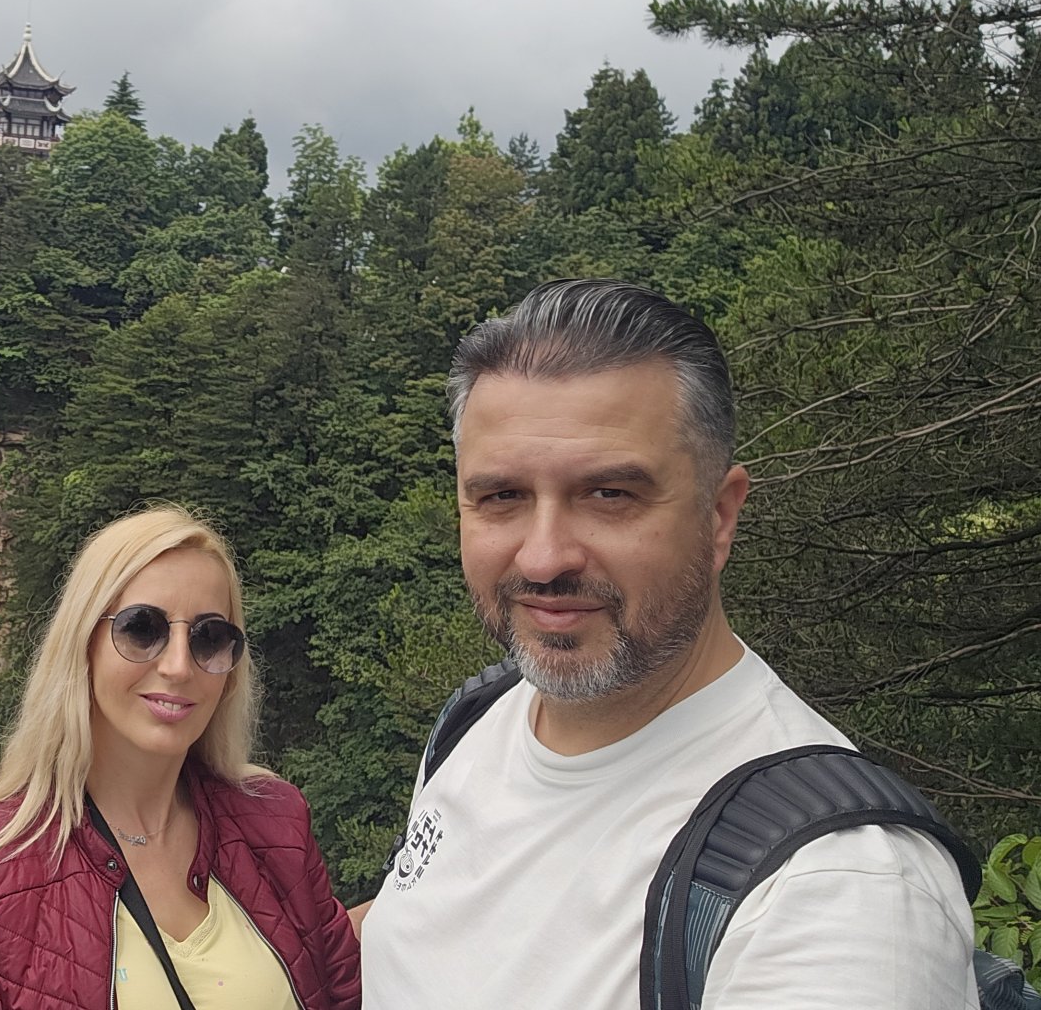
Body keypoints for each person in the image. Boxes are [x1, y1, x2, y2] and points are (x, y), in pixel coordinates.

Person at [358, 279, 979, 1007]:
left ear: (719, 517)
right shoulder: (476, 719)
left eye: (610, 495)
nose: (544, 558)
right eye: (502, 497)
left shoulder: (839, 893)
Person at [0, 505, 361, 1009]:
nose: (179, 667)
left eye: (209, 637)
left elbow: (347, 994)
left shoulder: (276, 822)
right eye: (142, 629)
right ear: (84, 644)